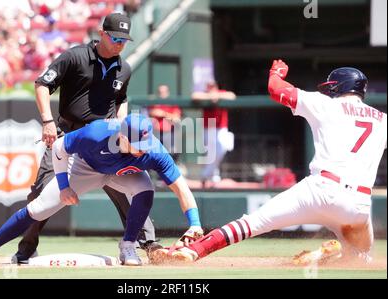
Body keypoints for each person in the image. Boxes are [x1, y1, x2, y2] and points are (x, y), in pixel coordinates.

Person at [161, 60, 387, 265]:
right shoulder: (382, 121)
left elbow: (275, 89)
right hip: (358, 204)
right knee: (361, 260)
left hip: (321, 191)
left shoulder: (325, 104)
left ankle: (194, 251)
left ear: (338, 87)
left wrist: (276, 72)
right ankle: (323, 257)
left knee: (252, 223)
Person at [0, 114, 204, 266]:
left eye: (146, 142)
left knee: (145, 189)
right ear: (123, 137)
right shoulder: (96, 133)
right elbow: (58, 150)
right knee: (38, 209)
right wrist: (64, 187)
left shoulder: (154, 151)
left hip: (119, 174)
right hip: (84, 168)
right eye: (138, 144)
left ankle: (128, 245)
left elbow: (180, 187)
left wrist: (194, 222)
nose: (144, 148)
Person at [13, 13, 161, 264]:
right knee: (42, 191)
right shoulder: (75, 56)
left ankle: (149, 243)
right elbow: (42, 85)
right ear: (102, 33)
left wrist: (123, 129)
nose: (120, 44)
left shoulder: (123, 68)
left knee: (128, 186)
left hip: (105, 138)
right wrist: (47, 121)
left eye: (124, 40)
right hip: (68, 135)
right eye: (115, 38)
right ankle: (26, 248)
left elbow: (120, 99)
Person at [191, 81, 236, 188]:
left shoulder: (221, 93)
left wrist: (217, 95)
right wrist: (209, 96)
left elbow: (232, 96)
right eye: (209, 87)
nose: (211, 88)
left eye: (213, 87)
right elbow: (194, 96)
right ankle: (214, 178)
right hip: (208, 128)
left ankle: (205, 175)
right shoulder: (204, 94)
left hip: (221, 127)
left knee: (222, 148)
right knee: (211, 154)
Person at [147, 85, 182, 162]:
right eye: (160, 92)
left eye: (164, 92)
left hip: (169, 133)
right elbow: (148, 114)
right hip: (156, 133)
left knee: (171, 155)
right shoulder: (154, 103)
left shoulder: (172, 103)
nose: (162, 94)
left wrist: (163, 114)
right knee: (153, 155)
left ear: (168, 92)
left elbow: (177, 118)